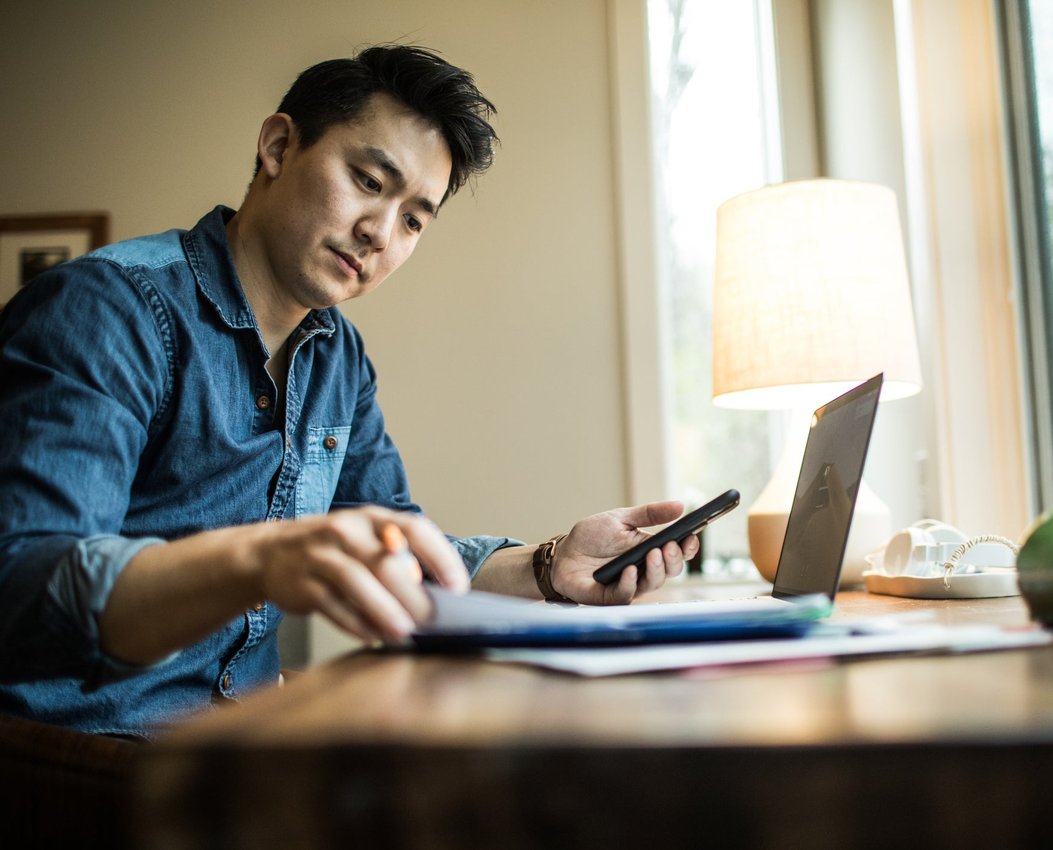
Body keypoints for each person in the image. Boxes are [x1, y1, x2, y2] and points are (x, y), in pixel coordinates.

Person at [0, 44, 697, 738]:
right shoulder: (107, 310)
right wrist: (258, 561)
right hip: (74, 762)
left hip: (235, 750)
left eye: (414, 219)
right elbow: (23, 589)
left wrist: (551, 566)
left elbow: (400, 549)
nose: (379, 234)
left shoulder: (338, 356)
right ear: (277, 145)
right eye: (367, 181)